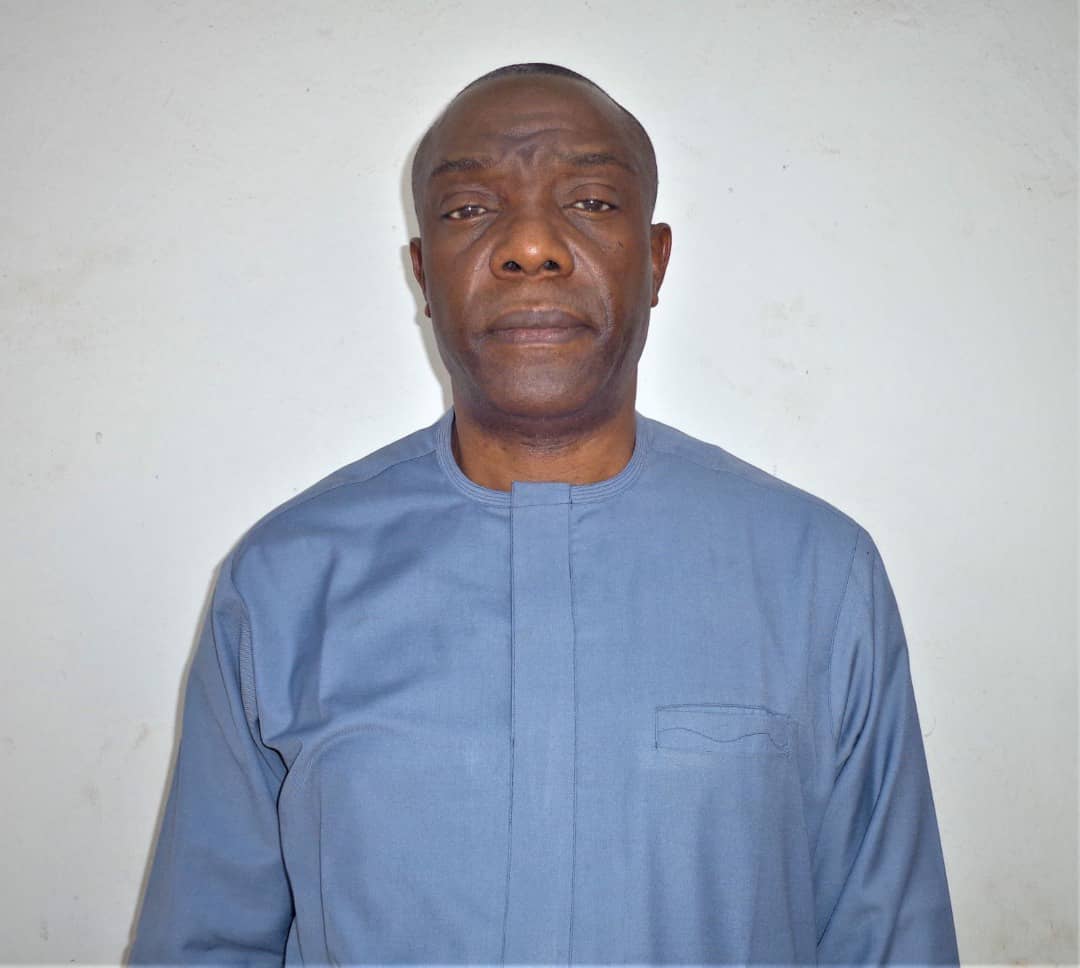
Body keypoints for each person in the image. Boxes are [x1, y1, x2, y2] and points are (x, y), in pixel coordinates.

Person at [131, 63, 959, 964]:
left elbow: (892, 944)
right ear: (423, 273)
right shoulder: (286, 581)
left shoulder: (816, 574)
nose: (531, 246)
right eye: (469, 209)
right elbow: (203, 944)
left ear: (656, 260)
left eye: (592, 202)